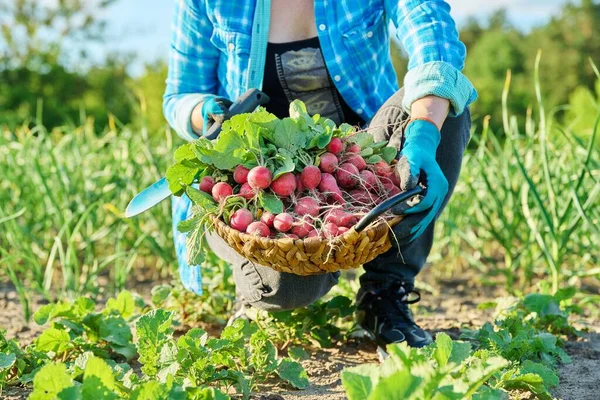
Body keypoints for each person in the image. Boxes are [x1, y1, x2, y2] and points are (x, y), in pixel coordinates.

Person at [163, 0, 475, 351]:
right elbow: (179, 95)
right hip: (264, 184)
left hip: (359, 159)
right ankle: (255, 297)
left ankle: (385, 291)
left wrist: (423, 133)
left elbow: (430, 29)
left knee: (440, 102)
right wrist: (204, 110)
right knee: (289, 289)